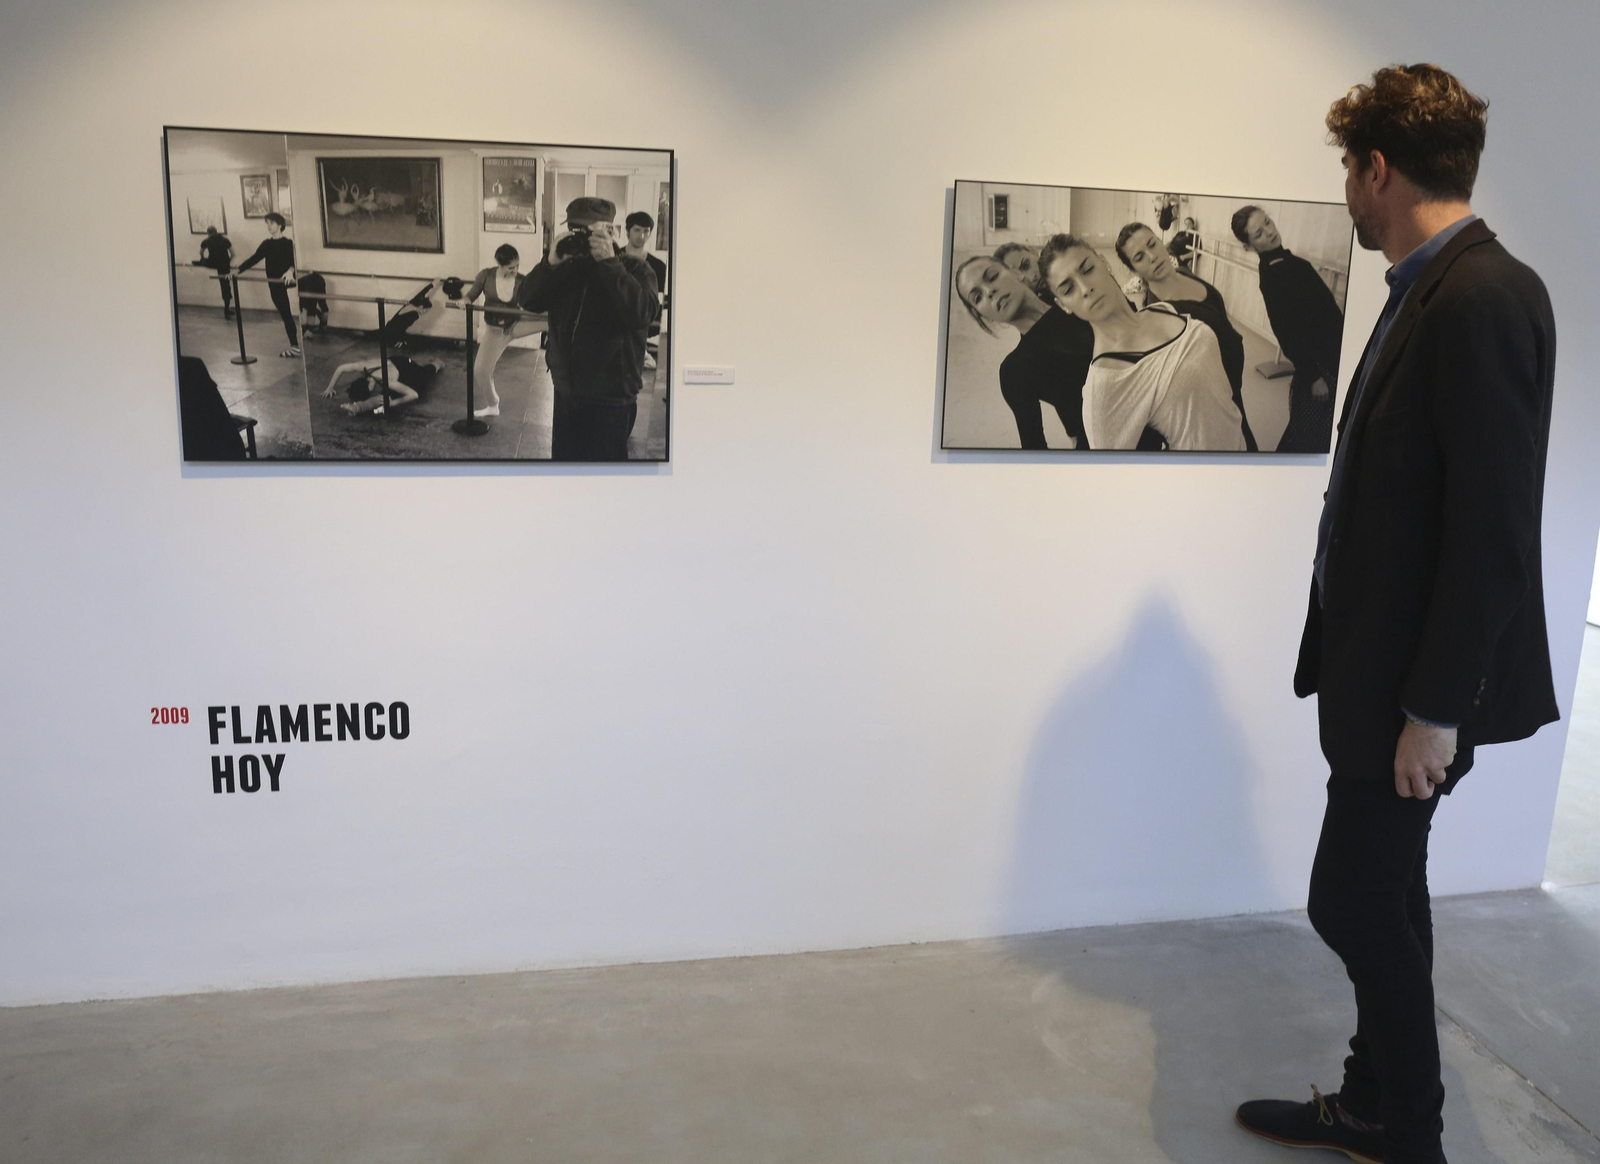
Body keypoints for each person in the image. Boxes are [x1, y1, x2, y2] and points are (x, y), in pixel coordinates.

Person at [1235, 64, 1557, 1164]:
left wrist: (1435, 711)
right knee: (1386, 890)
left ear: (1377, 169)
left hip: (1415, 691)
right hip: (1383, 673)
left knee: (1353, 902)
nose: (1347, 195)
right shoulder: (1433, 284)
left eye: (1347, 171)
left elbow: (1494, 531)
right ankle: (1376, 1104)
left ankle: (1408, 1132)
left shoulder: (1478, 296)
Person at [1037, 233, 1244, 450]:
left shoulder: (1164, 309)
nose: (1085, 288)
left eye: (1088, 270)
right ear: (1063, 305)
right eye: (1068, 289)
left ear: (1104, 263)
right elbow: (1110, 468)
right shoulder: (1106, 382)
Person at [518, 197, 660, 461]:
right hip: (566, 389)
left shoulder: (636, 269)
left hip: (611, 395)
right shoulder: (566, 267)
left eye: (589, 231)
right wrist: (550, 263)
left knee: (605, 471)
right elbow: (527, 301)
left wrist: (609, 263)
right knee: (565, 465)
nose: (581, 237)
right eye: (576, 230)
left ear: (611, 231)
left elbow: (642, 314)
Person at [1117, 222, 1258, 450]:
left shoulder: (1184, 273)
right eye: (1140, 257)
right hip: (1215, 399)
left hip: (1233, 387)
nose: (1152, 256)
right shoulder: (1159, 313)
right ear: (1134, 269)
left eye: (1152, 244)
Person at [1231, 205, 1344, 453]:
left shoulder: (1285, 262)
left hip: (1327, 355)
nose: (1270, 232)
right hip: (1320, 364)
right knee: (1310, 438)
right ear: (1249, 246)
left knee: (1310, 432)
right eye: (1259, 233)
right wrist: (1313, 376)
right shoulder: (1276, 273)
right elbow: (1286, 331)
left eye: (1267, 222)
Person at [953, 252, 1094, 449]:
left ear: (1016, 273)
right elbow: (1034, 451)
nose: (989, 292)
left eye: (992, 277)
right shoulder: (1015, 370)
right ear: (984, 315)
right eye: (978, 297)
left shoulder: (1076, 299)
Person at [462, 245, 543, 418]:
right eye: (510, 268)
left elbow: (535, 302)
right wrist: (465, 301)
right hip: (495, 331)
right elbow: (470, 296)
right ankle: (493, 405)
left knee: (552, 320)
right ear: (499, 264)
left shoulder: (522, 280)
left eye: (517, 266)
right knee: (481, 371)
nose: (515, 270)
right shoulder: (485, 276)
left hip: (515, 324)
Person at [233, 212, 299, 357]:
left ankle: (295, 346)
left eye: (271, 223)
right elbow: (255, 258)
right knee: (285, 313)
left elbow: (293, 260)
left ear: (280, 225)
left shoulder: (288, 243)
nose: (268, 226)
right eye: (267, 223)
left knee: (286, 314)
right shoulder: (266, 244)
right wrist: (238, 270)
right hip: (273, 283)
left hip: (283, 281)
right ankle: (295, 346)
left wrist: (290, 271)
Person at [320, 354, 443, 416]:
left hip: (410, 371)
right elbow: (341, 368)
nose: (373, 391)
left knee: (427, 372)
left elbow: (414, 395)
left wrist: (392, 403)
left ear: (369, 387)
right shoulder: (364, 367)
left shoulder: (389, 381)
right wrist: (330, 387)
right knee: (385, 394)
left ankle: (438, 363)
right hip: (397, 359)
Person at [620, 211, 667, 372]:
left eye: (646, 231)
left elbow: (658, 301)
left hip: (643, 323)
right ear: (627, 231)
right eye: (637, 230)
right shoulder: (615, 259)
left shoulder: (658, 266)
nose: (641, 236)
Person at [193, 226, 234, 319]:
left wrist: (202, 259)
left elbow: (201, 252)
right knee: (225, 286)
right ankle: (227, 310)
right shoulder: (225, 240)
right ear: (216, 231)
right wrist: (228, 261)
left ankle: (199, 263)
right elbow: (233, 254)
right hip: (224, 264)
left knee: (198, 262)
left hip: (213, 262)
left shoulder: (206, 241)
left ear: (208, 233)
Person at [297, 270, 328, 338]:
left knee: (309, 308)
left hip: (310, 283)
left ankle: (309, 331)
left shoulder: (299, 285)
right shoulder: (301, 282)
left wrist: (305, 328)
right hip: (319, 280)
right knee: (322, 304)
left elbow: (304, 309)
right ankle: (323, 327)